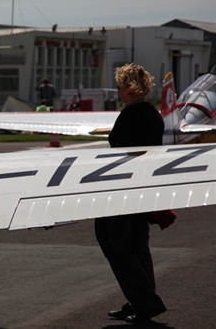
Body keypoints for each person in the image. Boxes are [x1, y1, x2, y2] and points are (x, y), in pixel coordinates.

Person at [97, 63, 166, 323]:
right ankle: (140, 300)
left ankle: (146, 302)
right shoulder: (152, 114)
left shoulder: (130, 115)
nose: (118, 91)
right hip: (143, 189)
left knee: (114, 243)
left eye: (119, 85)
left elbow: (122, 153)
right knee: (137, 245)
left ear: (129, 87)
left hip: (124, 189)